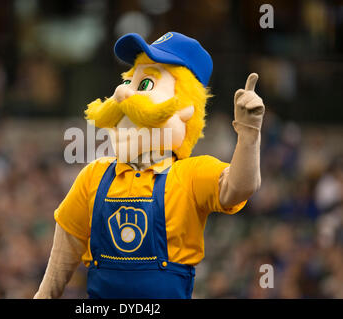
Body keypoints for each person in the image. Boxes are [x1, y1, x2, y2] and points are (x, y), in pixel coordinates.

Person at [34, 32, 265, 299]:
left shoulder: (189, 174)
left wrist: (249, 136)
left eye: (145, 84)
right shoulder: (94, 175)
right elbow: (65, 250)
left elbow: (240, 188)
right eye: (129, 81)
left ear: (186, 106)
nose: (123, 93)